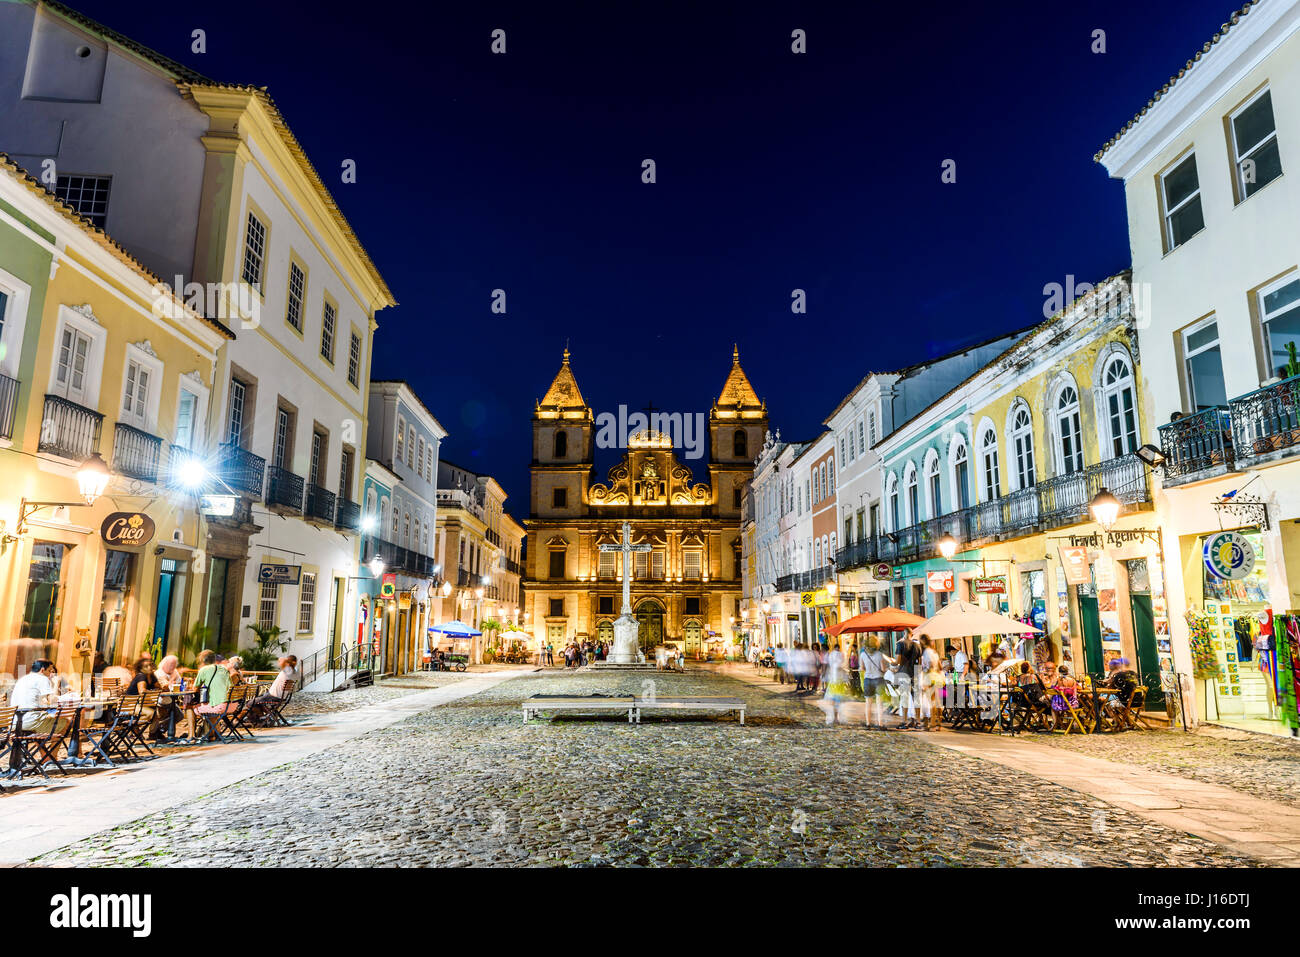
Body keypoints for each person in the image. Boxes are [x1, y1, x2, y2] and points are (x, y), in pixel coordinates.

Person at [5, 660, 92, 773]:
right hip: (32, 722)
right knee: (66, 722)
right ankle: (51, 757)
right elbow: (51, 701)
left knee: (48, 723)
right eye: (50, 670)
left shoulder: (23, 679)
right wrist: (59, 688)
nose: (51, 673)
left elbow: (41, 701)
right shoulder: (42, 679)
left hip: (15, 723)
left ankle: (46, 756)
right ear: (42, 670)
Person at [859, 636, 889, 729]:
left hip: (868, 680)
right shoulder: (880, 654)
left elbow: (862, 668)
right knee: (879, 703)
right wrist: (888, 669)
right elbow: (883, 669)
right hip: (879, 679)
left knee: (868, 703)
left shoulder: (863, 655)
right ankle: (880, 724)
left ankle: (868, 723)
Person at [893, 634, 921, 730]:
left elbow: (897, 661)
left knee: (904, 698)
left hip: (904, 673)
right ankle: (918, 722)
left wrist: (891, 663)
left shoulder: (900, 644)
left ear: (904, 634)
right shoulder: (917, 645)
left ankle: (904, 722)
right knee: (916, 698)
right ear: (911, 635)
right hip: (915, 673)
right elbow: (920, 661)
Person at [918, 635, 942, 731]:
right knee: (936, 701)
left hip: (929, 677)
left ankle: (931, 724)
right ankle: (938, 724)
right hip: (937, 677)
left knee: (930, 702)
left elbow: (930, 665)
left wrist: (925, 669)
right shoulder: (934, 652)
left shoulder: (927, 652)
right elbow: (940, 666)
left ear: (923, 642)